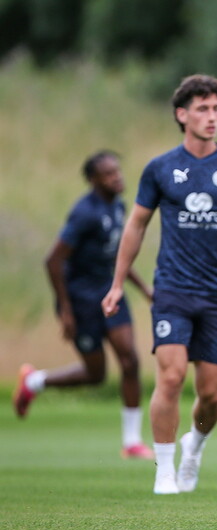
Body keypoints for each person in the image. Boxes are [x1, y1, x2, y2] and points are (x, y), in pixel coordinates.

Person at [101, 74, 217, 495]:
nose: (212, 117)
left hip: (216, 295)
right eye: (203, 109)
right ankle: (164, 468)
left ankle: (195, 445)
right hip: (171, 291)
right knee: (171, 377)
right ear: (182, 114)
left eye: (216, 109)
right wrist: (118, 284)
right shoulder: (159, 169)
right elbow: (136, 226)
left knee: (212, 395)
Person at [14, 150, 154, 460]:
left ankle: (131, 442)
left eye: (117, 170)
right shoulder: (84, 214)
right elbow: (52, 261)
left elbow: (118, 254)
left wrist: (144, 289)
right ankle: (34, 381)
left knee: (130, 360)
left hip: (110, 293)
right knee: (96, 375)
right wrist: (65, 309)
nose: (117, 177)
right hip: (81, 301)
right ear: (93, 180)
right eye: (108, 174)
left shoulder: (118, 207)